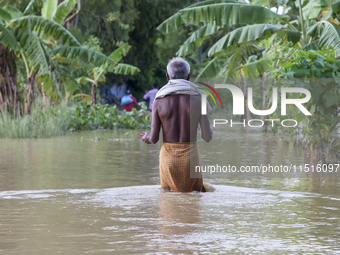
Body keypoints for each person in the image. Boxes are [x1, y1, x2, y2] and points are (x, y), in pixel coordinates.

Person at [142, 57, 212, 192]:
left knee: (168, 201)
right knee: (195, 198)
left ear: (168, 77)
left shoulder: (159, 101)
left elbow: (154, 138)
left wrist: (146, 137)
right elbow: (207, 137)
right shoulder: (199, 100)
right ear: (189, 76)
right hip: (191, 157)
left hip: (168, 158)